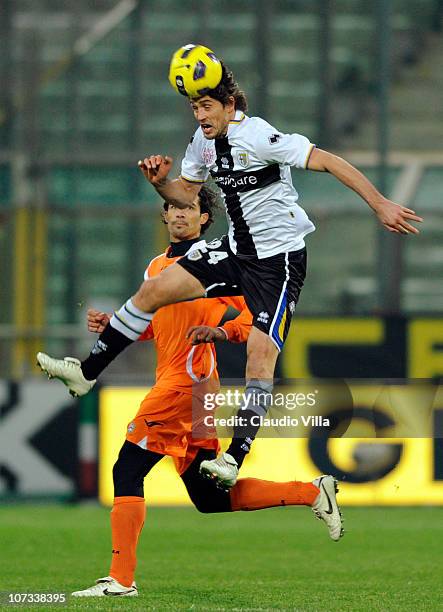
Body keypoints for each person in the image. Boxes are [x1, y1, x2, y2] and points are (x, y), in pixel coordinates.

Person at [37, 57, 423, 492]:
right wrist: (159, 182)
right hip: (236, 251)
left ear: (228, 104)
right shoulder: (202, 144)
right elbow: (185, 192)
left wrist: (380, 205)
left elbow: (329, 161)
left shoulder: (258, 135)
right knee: (153, 290)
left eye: (206, 107)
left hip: (277, 264)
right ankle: (86, 372)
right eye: (194, 108)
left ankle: (234, 458)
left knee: (261, 356)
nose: (200, 116)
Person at [69, 187, 343, 598]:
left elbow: (256, 318)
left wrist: (220, 330)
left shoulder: (219, 267)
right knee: (208, 497)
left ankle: (121, 580)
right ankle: (311, 492)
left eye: (188, 208)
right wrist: (116, 325)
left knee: (127, 469)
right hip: (186, 388)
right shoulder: (158, 267)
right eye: (172, 207)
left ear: (204, 220)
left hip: (184, 385)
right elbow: (164, 327)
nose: (178, 214)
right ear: (164, 216)